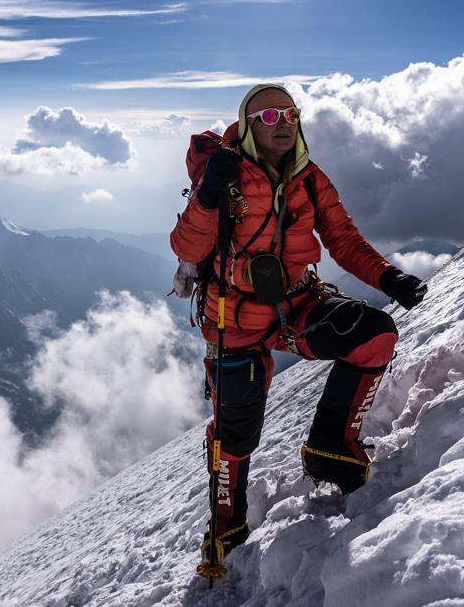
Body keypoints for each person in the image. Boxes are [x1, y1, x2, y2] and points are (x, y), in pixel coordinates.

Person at [169, 84, 427, 562]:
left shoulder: (309, 177)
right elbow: (188, 248)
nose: (282, 122)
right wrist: (206, 196)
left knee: (374, 336)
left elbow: (342, 238)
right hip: (235, 321)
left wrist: (388, 277)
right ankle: (227, 524)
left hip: (295, 307)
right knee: (236, 431)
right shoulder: (222, 174)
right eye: (268, 117)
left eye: (289, 113)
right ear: (248, 126)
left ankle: (331, 446)